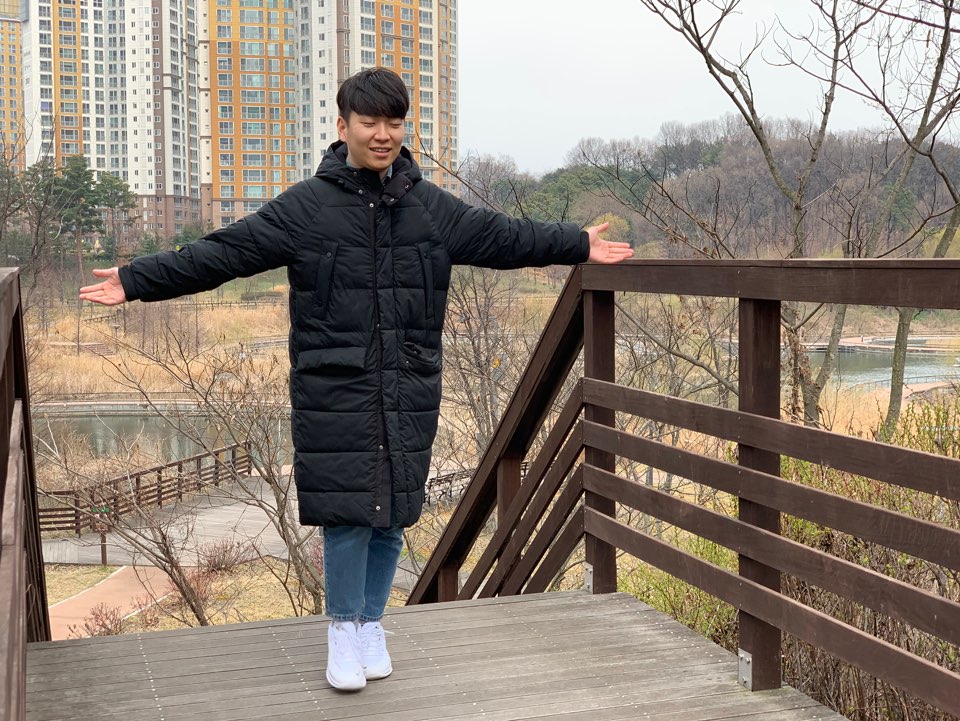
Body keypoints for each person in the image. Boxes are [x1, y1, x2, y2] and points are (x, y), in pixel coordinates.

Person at [80, 67, 633, 691]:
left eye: (394, 122)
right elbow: (224, 253)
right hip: (335, 386)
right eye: (369, 122)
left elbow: (502, 236)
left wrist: (574, 243)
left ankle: (371, 624)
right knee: (348, 514)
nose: (383, 134)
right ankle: (342, 630)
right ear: (343, 127)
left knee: (393, 511)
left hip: (409, 382)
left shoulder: (428, 207)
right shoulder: (307, 207)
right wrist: (136, 280)